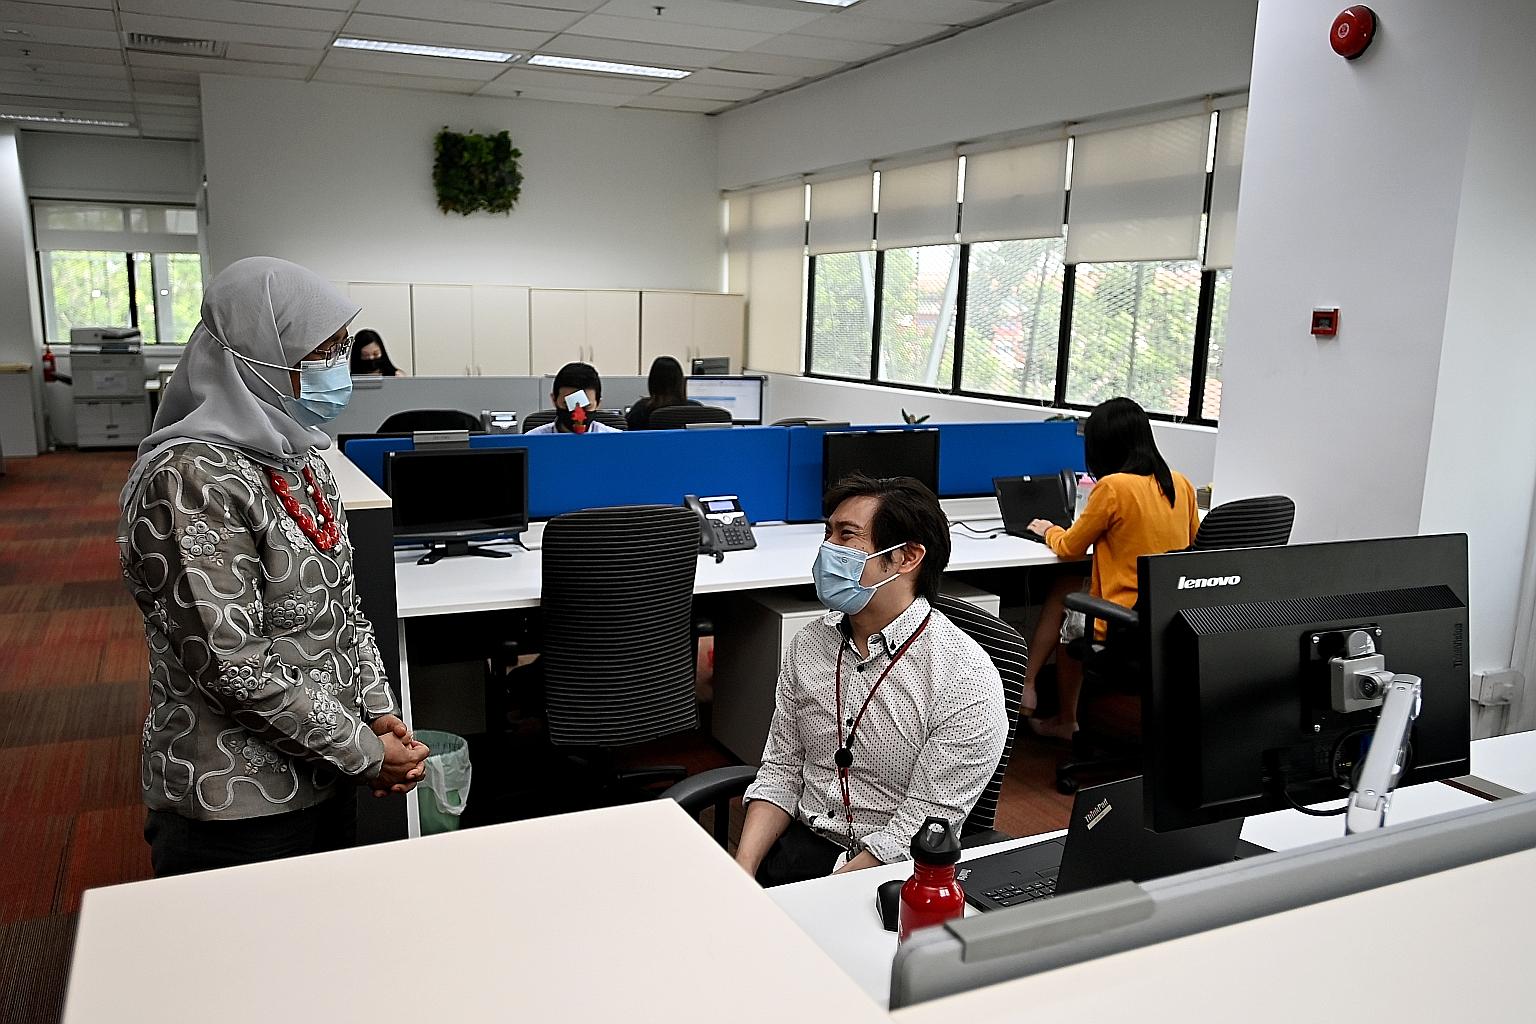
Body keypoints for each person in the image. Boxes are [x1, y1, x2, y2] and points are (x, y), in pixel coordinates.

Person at [118, 257, 430, 877]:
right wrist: (365, 751)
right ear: (252, 355)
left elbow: (344, 604)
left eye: (340, 348)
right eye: (319, 352)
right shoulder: (189, 479)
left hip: (327, 766)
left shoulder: (299, 456)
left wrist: (375, 708)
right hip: (237, 802)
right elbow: (232, 665)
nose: (335, 368)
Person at [736, 474, 1008, 887]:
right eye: (827, 533)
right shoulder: (811, 644)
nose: (828, 549)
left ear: (907, 557)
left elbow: (915, 830)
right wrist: (740, 875)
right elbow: (782, 771)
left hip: (885, 874)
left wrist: (822, 895)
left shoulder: (963, 680)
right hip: (797, 847)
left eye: (847, 536)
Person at [1022, 397, 1201, 740]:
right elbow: (1193, 546)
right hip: (1168, 618)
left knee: (1069, 600)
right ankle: (1042, 696)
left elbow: (1070, 547)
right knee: (1067, 587)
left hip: (1122, 623)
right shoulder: (1180, 483)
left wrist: (1048, 530)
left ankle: (1053, 706)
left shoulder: (1113, 487)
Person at [525, 361, 622, 434]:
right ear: (554, 400)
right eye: (568, 405)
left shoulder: (617, 441)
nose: (578, 415)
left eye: (586, 406)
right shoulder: (531, 441)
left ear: (598, 404)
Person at [626, 355, 701, 430]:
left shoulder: (641, 409)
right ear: (680, 382)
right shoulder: (697, 409)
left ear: (652, 382)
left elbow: (627, 436)